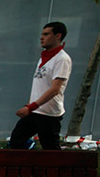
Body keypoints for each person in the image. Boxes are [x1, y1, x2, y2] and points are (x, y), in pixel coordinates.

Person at [10, 21, 72, 150]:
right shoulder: (44, 57)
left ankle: (58, 169)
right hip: (35, 111)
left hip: (48, 114)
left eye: (46, 34)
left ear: (58, 36)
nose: (41, 38)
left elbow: (55, 89)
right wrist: (29, 106)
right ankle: (23, 167)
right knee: (16, 140)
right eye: (42, 34)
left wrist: (31, 106)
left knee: (50, 147)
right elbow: (39, 85)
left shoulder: (62, 59)